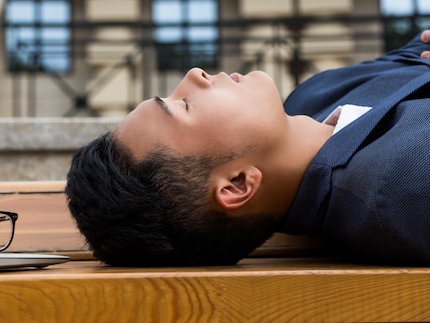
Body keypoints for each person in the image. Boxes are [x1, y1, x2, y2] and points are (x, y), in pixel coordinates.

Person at [66, 28, 430, 267]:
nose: (195, 74)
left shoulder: (314, 95)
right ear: (238, 185)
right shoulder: (399, 190)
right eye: (184, 105)